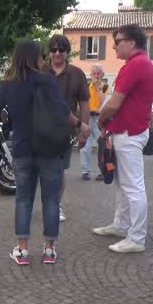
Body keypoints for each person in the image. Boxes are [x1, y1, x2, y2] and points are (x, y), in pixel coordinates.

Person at [0, 40, 87, 265]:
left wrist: (7, 115)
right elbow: (63, 110)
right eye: (42, 55)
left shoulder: (9, 84)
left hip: (22, 148)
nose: (45, 58)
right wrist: (81, 126)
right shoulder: (47, 80)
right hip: (50, 148)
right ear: (35, 57)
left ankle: (23, 251)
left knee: (23, 200)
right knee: (51, 200)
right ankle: (49, 251)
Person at [94, 24, 153, 253]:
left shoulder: (136, 65)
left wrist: (100, 121)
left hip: (129, 134)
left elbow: (113, 103)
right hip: (128, 132)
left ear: (132, 42)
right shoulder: (139, 64)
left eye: (118, 41)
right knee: (124, 185)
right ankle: (121, 226)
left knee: (133, 187)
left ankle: (137, 238)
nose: (114, 46)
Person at [41, 34, 91, 222]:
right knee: (43, 169)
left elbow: (84, 102)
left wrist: (83, 129)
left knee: (59, 170)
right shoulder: (41, 71)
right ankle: (46, 203)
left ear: (67, 52)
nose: (57, 53)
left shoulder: (77, 74)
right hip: (41, 128)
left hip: (66, 130)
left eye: (61, 49)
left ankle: (56, 204)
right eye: (53, 49)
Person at [81, 64, 109, 181]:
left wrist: (98, 89)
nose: (96, 76)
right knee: (85, 146)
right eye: (94, 74)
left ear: (102, 75)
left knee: (102, 146)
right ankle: (85, 171)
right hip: (88, 118)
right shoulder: (87, 87)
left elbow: (105, 103)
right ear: (91, 75)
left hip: (100, 119)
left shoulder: (105, 87)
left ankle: (102, 171)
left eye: (98, 74)